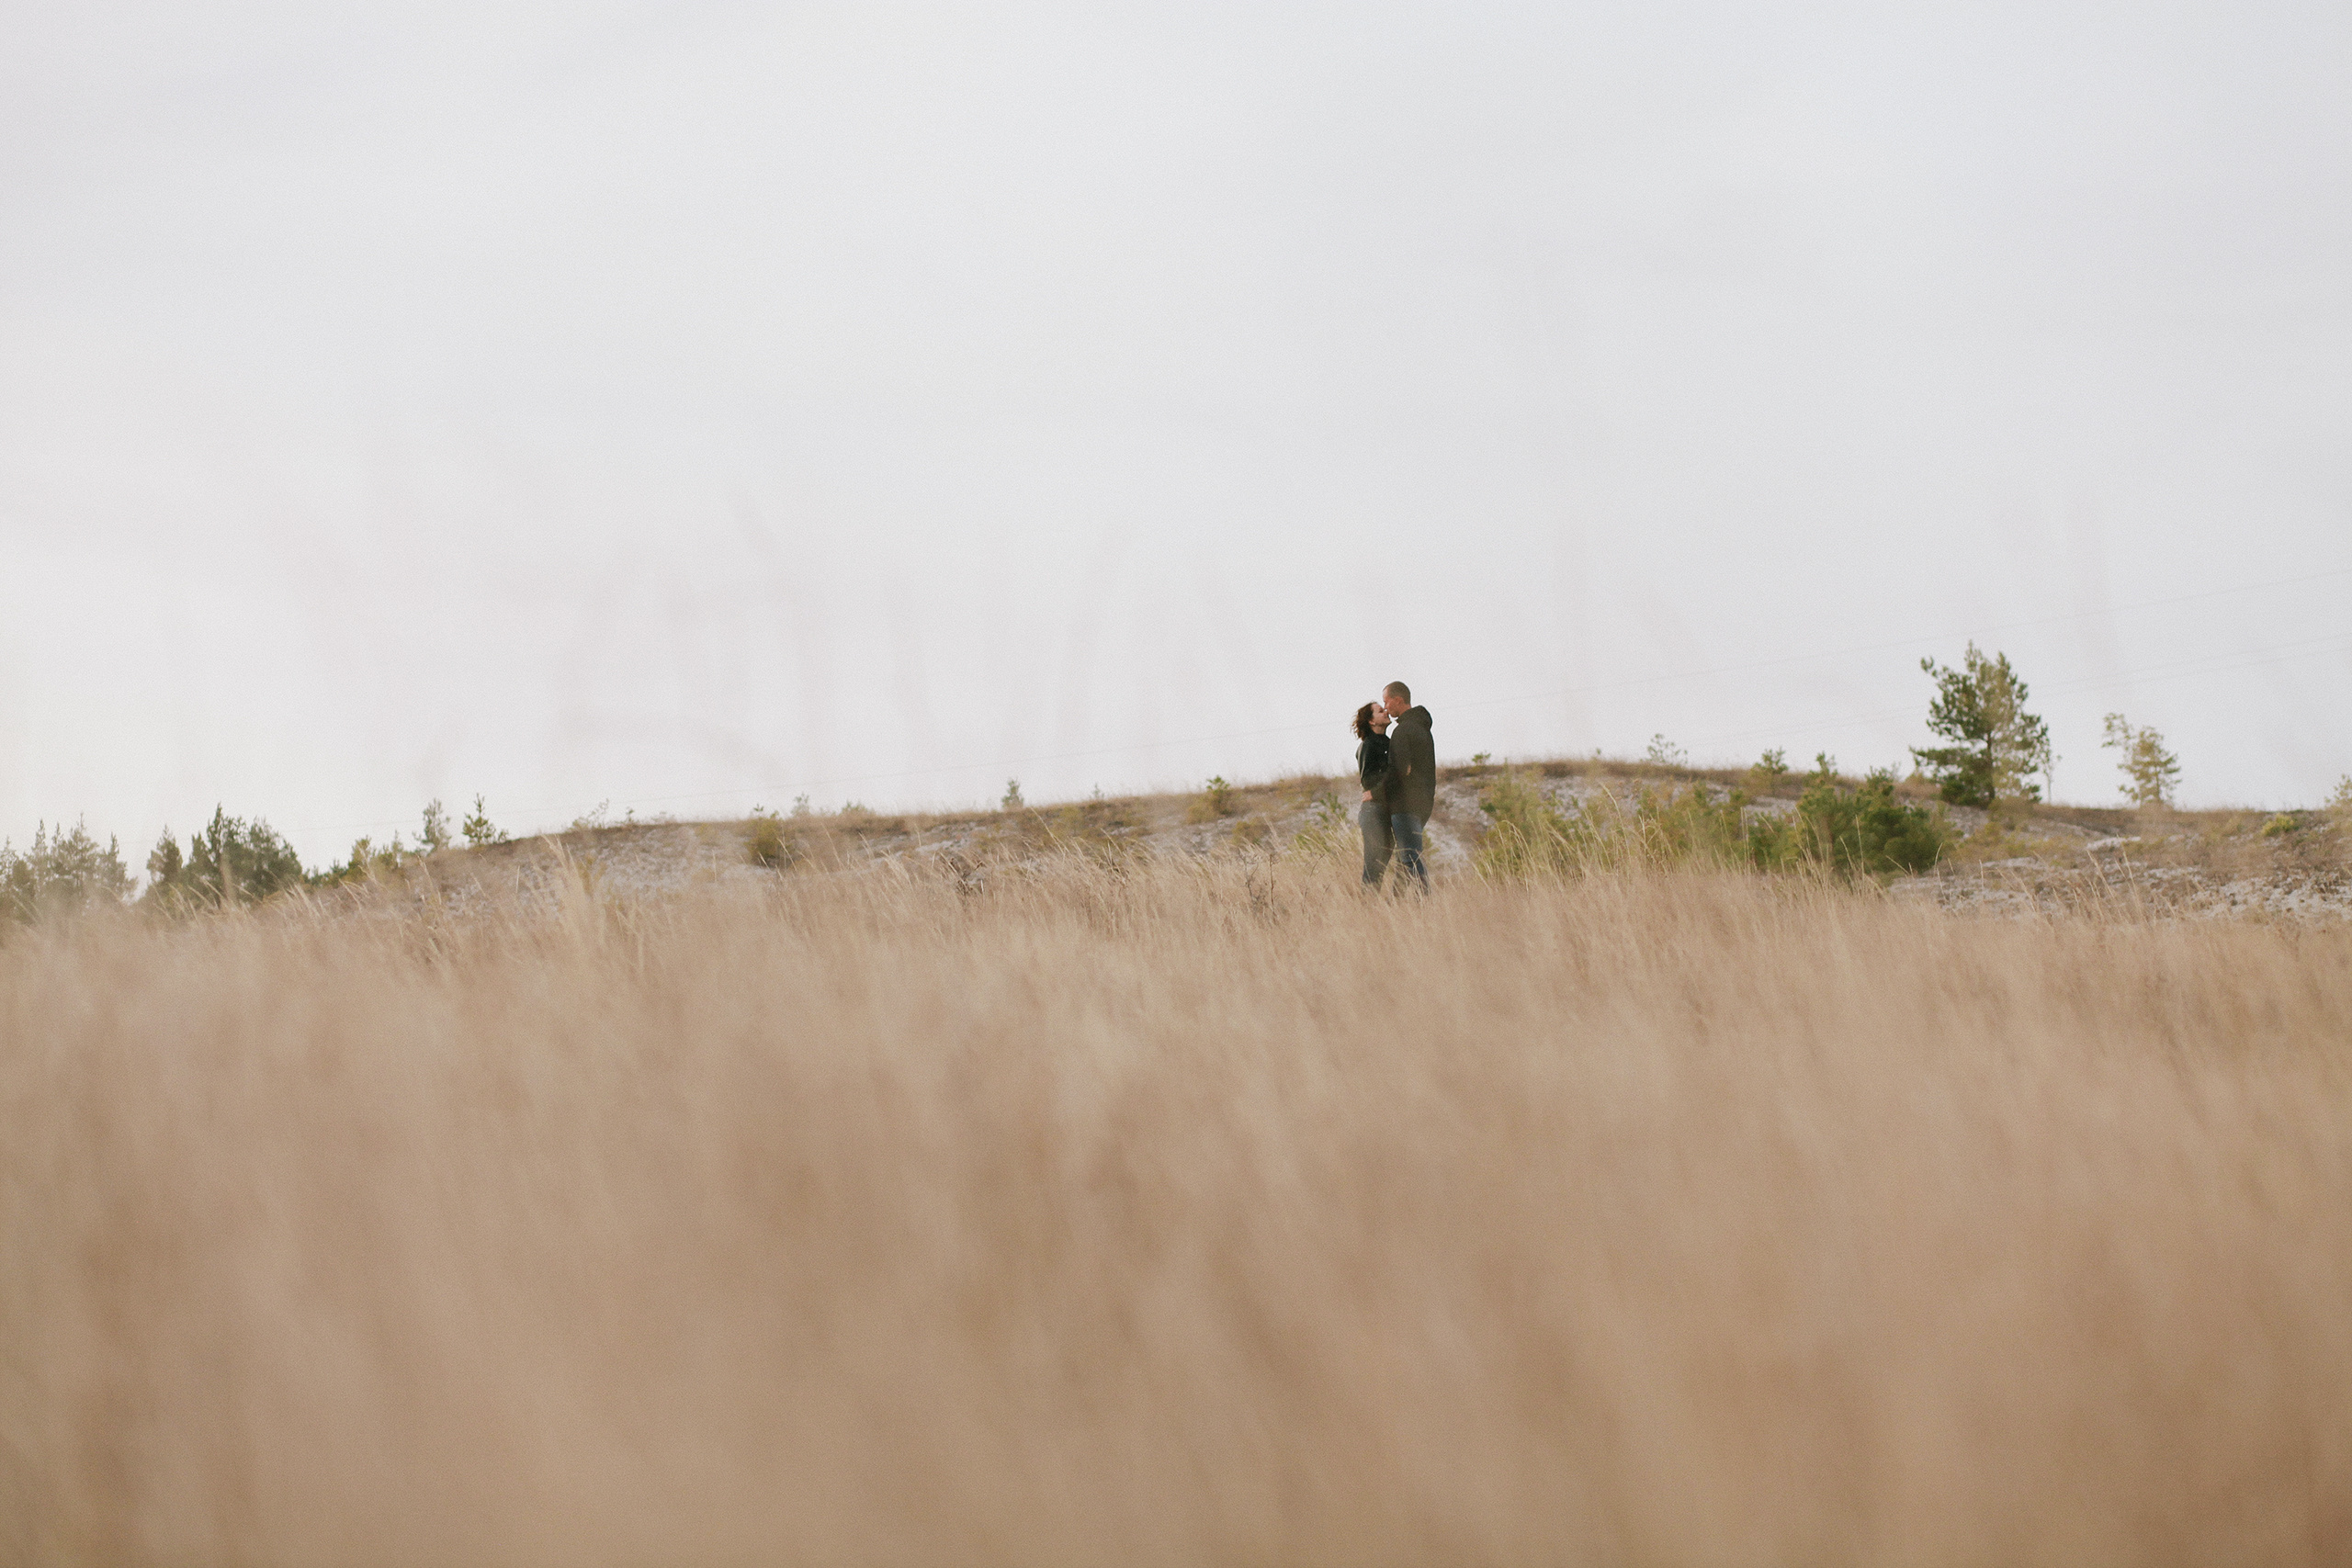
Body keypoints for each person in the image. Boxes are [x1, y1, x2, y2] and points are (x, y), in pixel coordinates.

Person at [1382, 681, 1435, 891]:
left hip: (1404, 805)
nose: (1386, 707)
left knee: (1410, 857)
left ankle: (1426, 900)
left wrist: (1379, 792)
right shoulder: (1423, 729)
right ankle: (1394, 906)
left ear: (1398, 699)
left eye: (1386, 702)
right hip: (1423, 804)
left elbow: (1400, 770)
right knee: (1404, 860)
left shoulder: (1403, 731)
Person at [1353, 701, 1394, 886]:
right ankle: (1367, 903)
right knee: (1373, 860)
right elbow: (1367, 781)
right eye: (1380, 711)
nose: (1385, 711)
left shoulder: (1388, 743)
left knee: (1384, 854)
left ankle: (1371, 901)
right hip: (1373, 810)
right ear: (1371, 721)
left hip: (1383, 808)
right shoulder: (1368, 745)